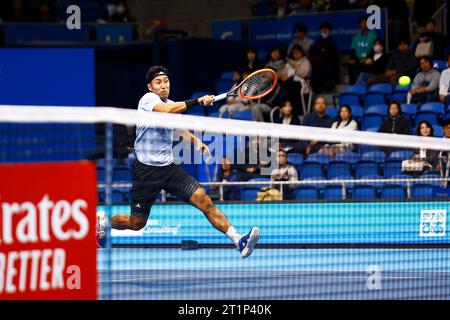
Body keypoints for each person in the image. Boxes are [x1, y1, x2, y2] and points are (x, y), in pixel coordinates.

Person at [96, 66, 260, 258]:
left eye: (166, 81)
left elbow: (178, 128)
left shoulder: (173, 105)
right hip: (146, 172)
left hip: (168, 169)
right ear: (150, 87)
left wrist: (195, 140)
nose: (164, 86)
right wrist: (198, 100)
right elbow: (165, 110)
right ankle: (104, 222)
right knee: (136, 223)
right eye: (158, 82)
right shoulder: (147, 101)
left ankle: (238, 240)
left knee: (204, 200)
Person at [280, 45, 312, 115]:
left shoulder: (305, 61)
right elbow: (282, 74)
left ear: (302, 53)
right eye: (294, 53)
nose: (295, 54)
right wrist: (283, 76)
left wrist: (295, 66)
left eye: (297, 52)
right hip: (288, 84)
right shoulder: (289, 63)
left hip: (301, 85)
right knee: (283, 85)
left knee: (292, 85)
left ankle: (295, 112)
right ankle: (284, 111)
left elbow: (304, 74)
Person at [309, 22, 339, 93]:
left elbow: (334, 60)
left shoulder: (333, 44)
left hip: (329, 72)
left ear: (330, 31)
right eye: (322, 29)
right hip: (317, 71)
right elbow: (311, 56)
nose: (324, 31)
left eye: (326, 29)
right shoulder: (316, 43)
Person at [348, 16, 378, 83]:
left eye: (365, 23)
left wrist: (368, 58)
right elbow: (353, 50)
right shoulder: (356, 37)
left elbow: (375, 50)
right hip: (358, 61)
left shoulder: (373, 36)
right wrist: (353, 60)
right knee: (351, 65)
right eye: (362, 23)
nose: (364, 24)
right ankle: (353, 87)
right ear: (359, 24)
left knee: (369, 64)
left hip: (369, 60)